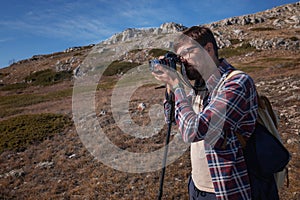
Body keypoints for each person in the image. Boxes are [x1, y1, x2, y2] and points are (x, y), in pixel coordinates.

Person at [152, 26, 258, 199]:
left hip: (224, 189)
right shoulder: (201, 85)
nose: (183, 61)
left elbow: (193, 131)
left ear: (208, 49)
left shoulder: (237, 83)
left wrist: (177, 85)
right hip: (197, 185)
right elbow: (171, 118)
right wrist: (171, 87)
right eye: (180, 57)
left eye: (186, 53)